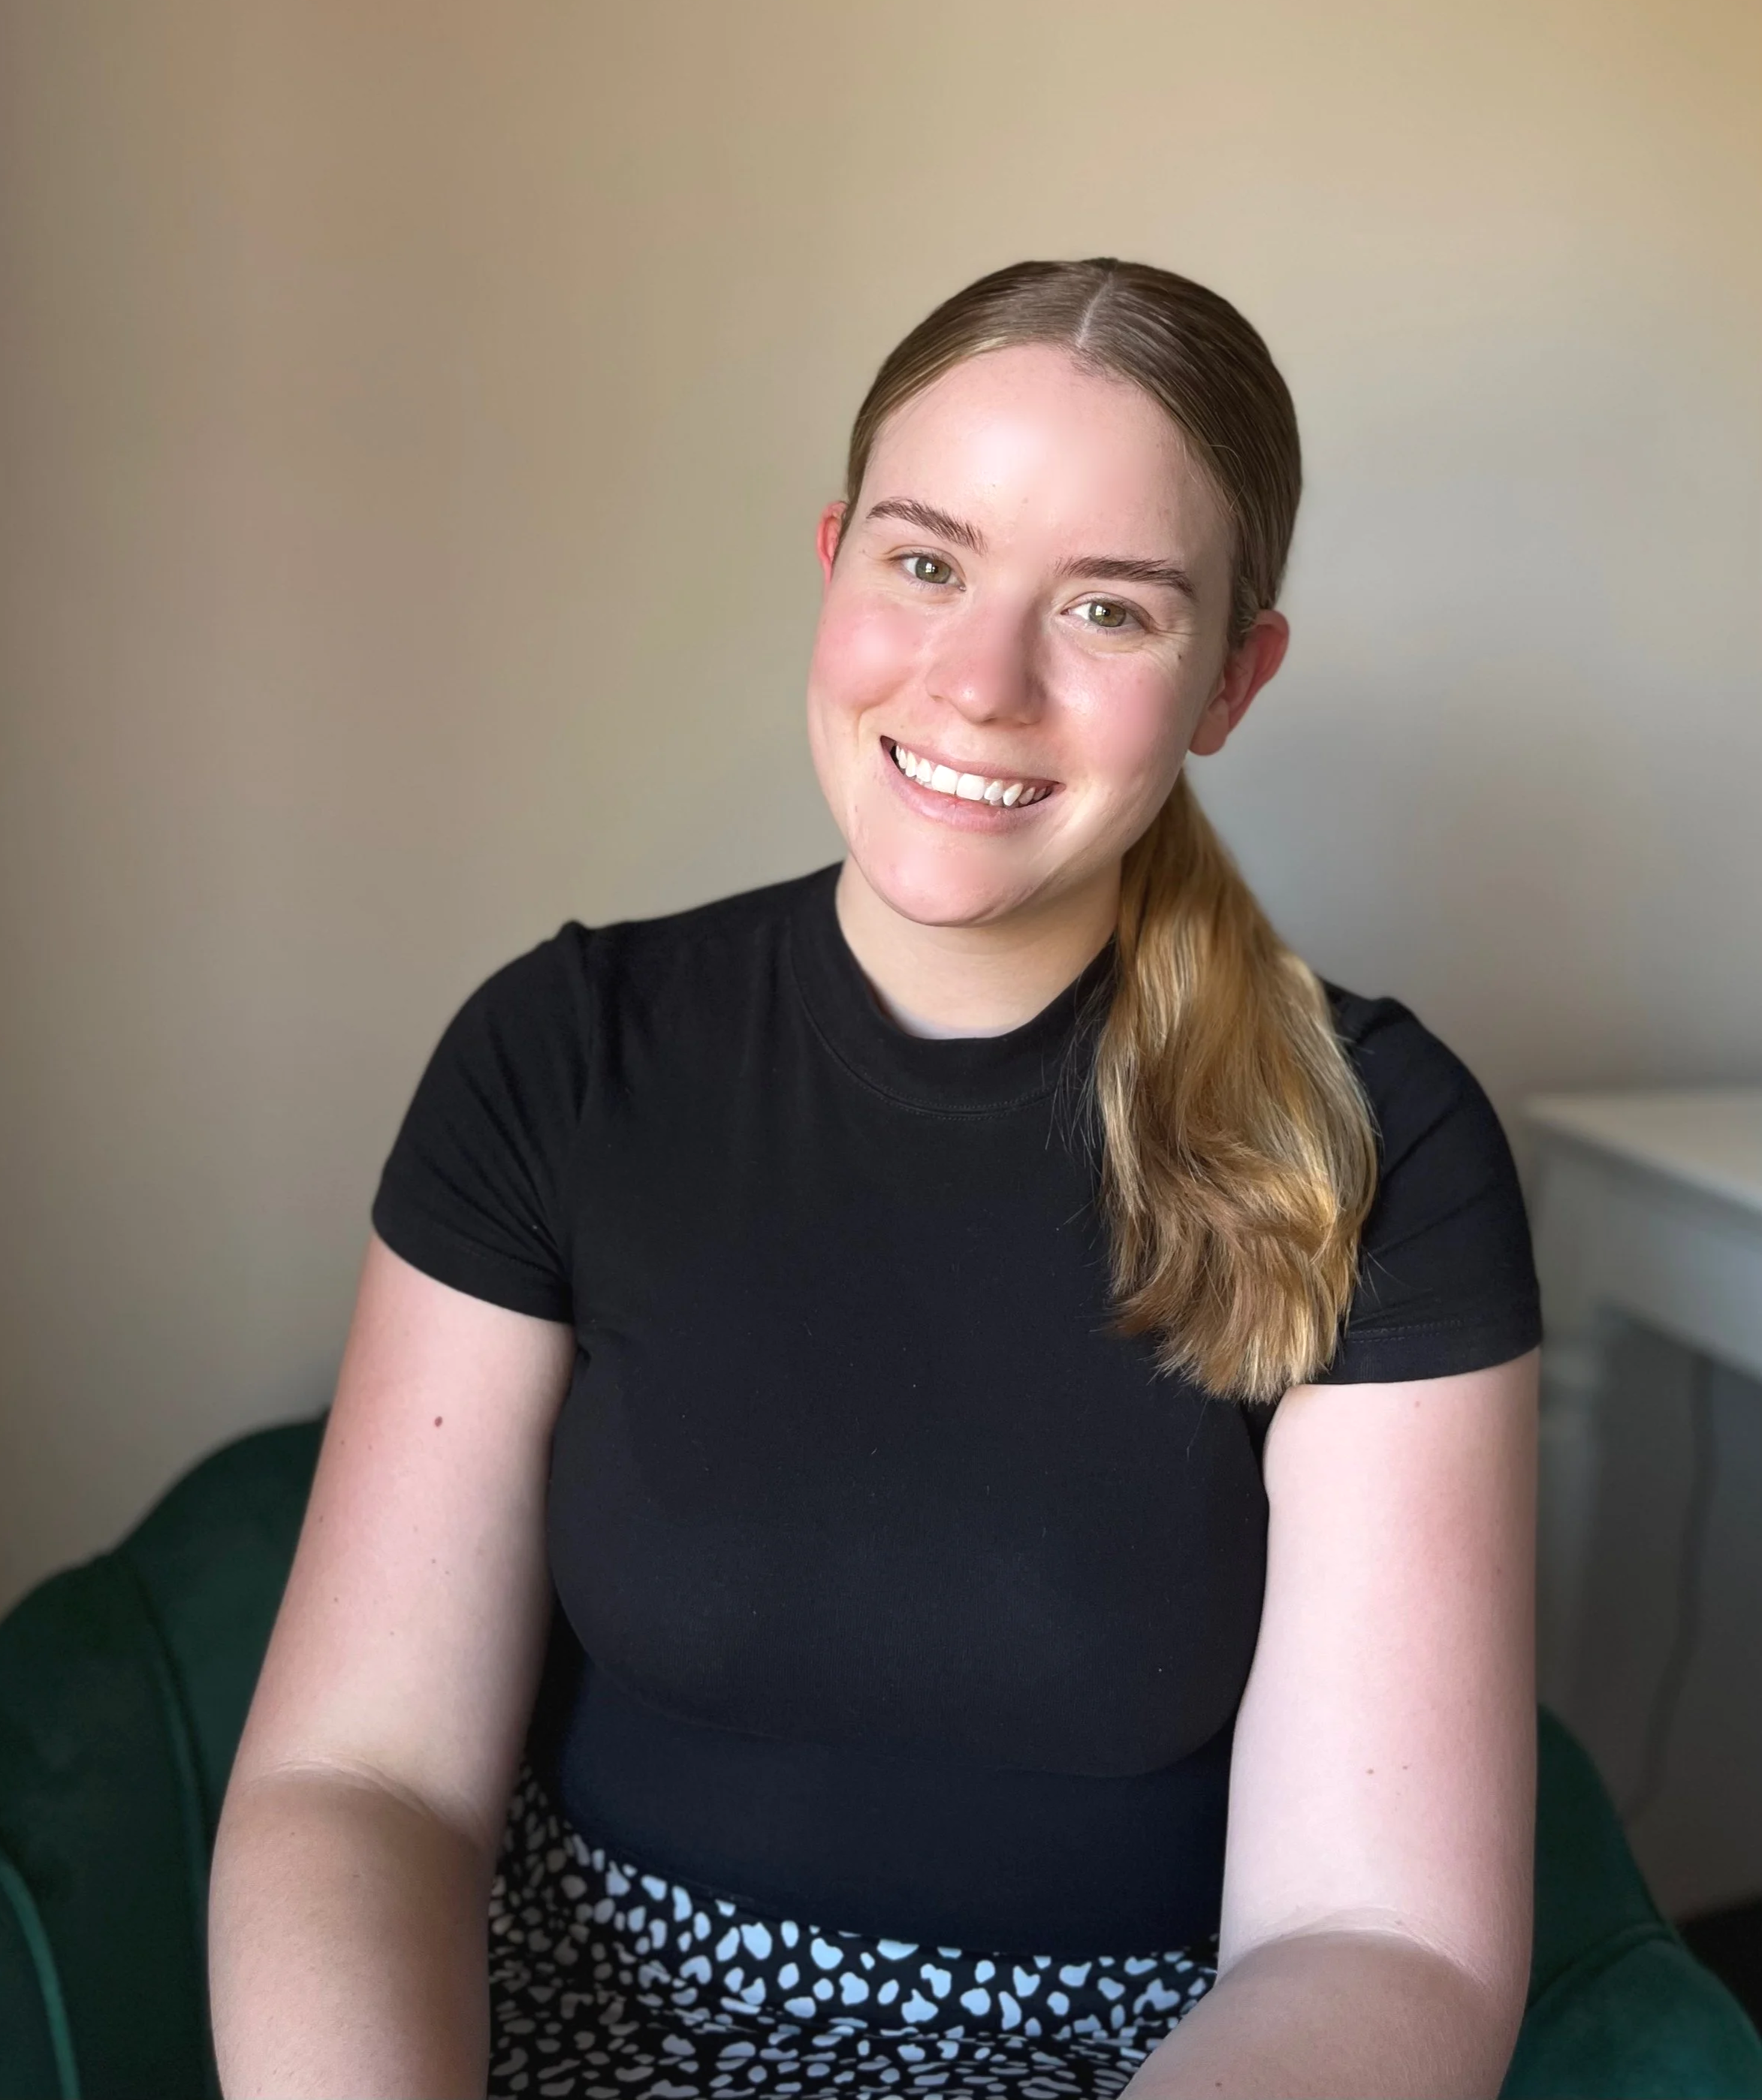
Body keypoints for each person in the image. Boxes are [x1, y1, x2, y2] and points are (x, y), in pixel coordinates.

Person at [208, 258, 1540, 2100]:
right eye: (927, 563)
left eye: (1109, 608)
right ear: (836, 562)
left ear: (1233, 680)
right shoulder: (563, 1054)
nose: (979, 684)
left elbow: (1379, 1944)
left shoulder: (1387, 1144)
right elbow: (359, 1780)